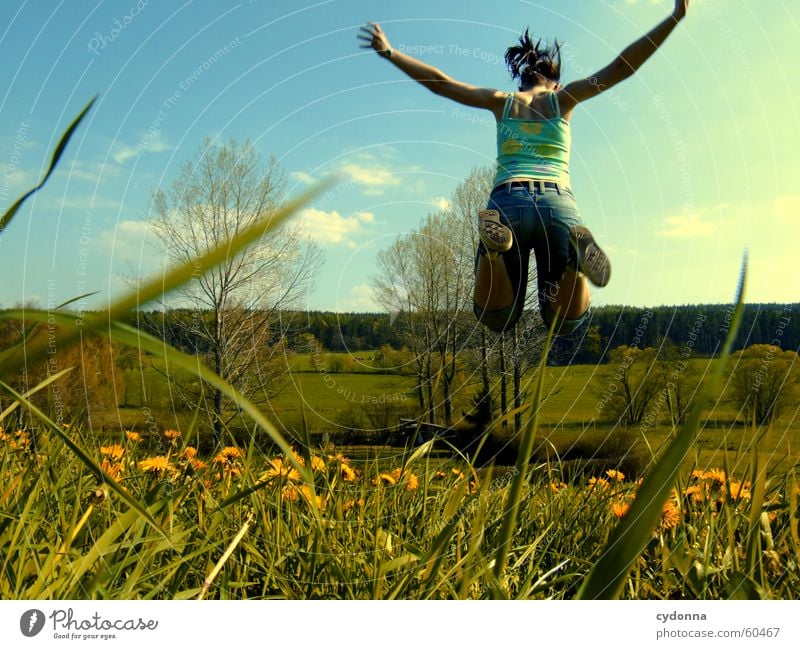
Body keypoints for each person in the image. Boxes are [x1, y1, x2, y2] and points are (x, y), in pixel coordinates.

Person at [359, 1, 689, 335]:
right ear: (556, 83)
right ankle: (575, 265)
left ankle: (493, 253)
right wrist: (674, 17)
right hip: (557, 203)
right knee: (564, 322)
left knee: (496, 317)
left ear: (523, 81)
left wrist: (390, 52)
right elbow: (621, 66)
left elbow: (441, 83)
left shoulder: (502, 101)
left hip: (507, 201)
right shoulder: (565, 99)